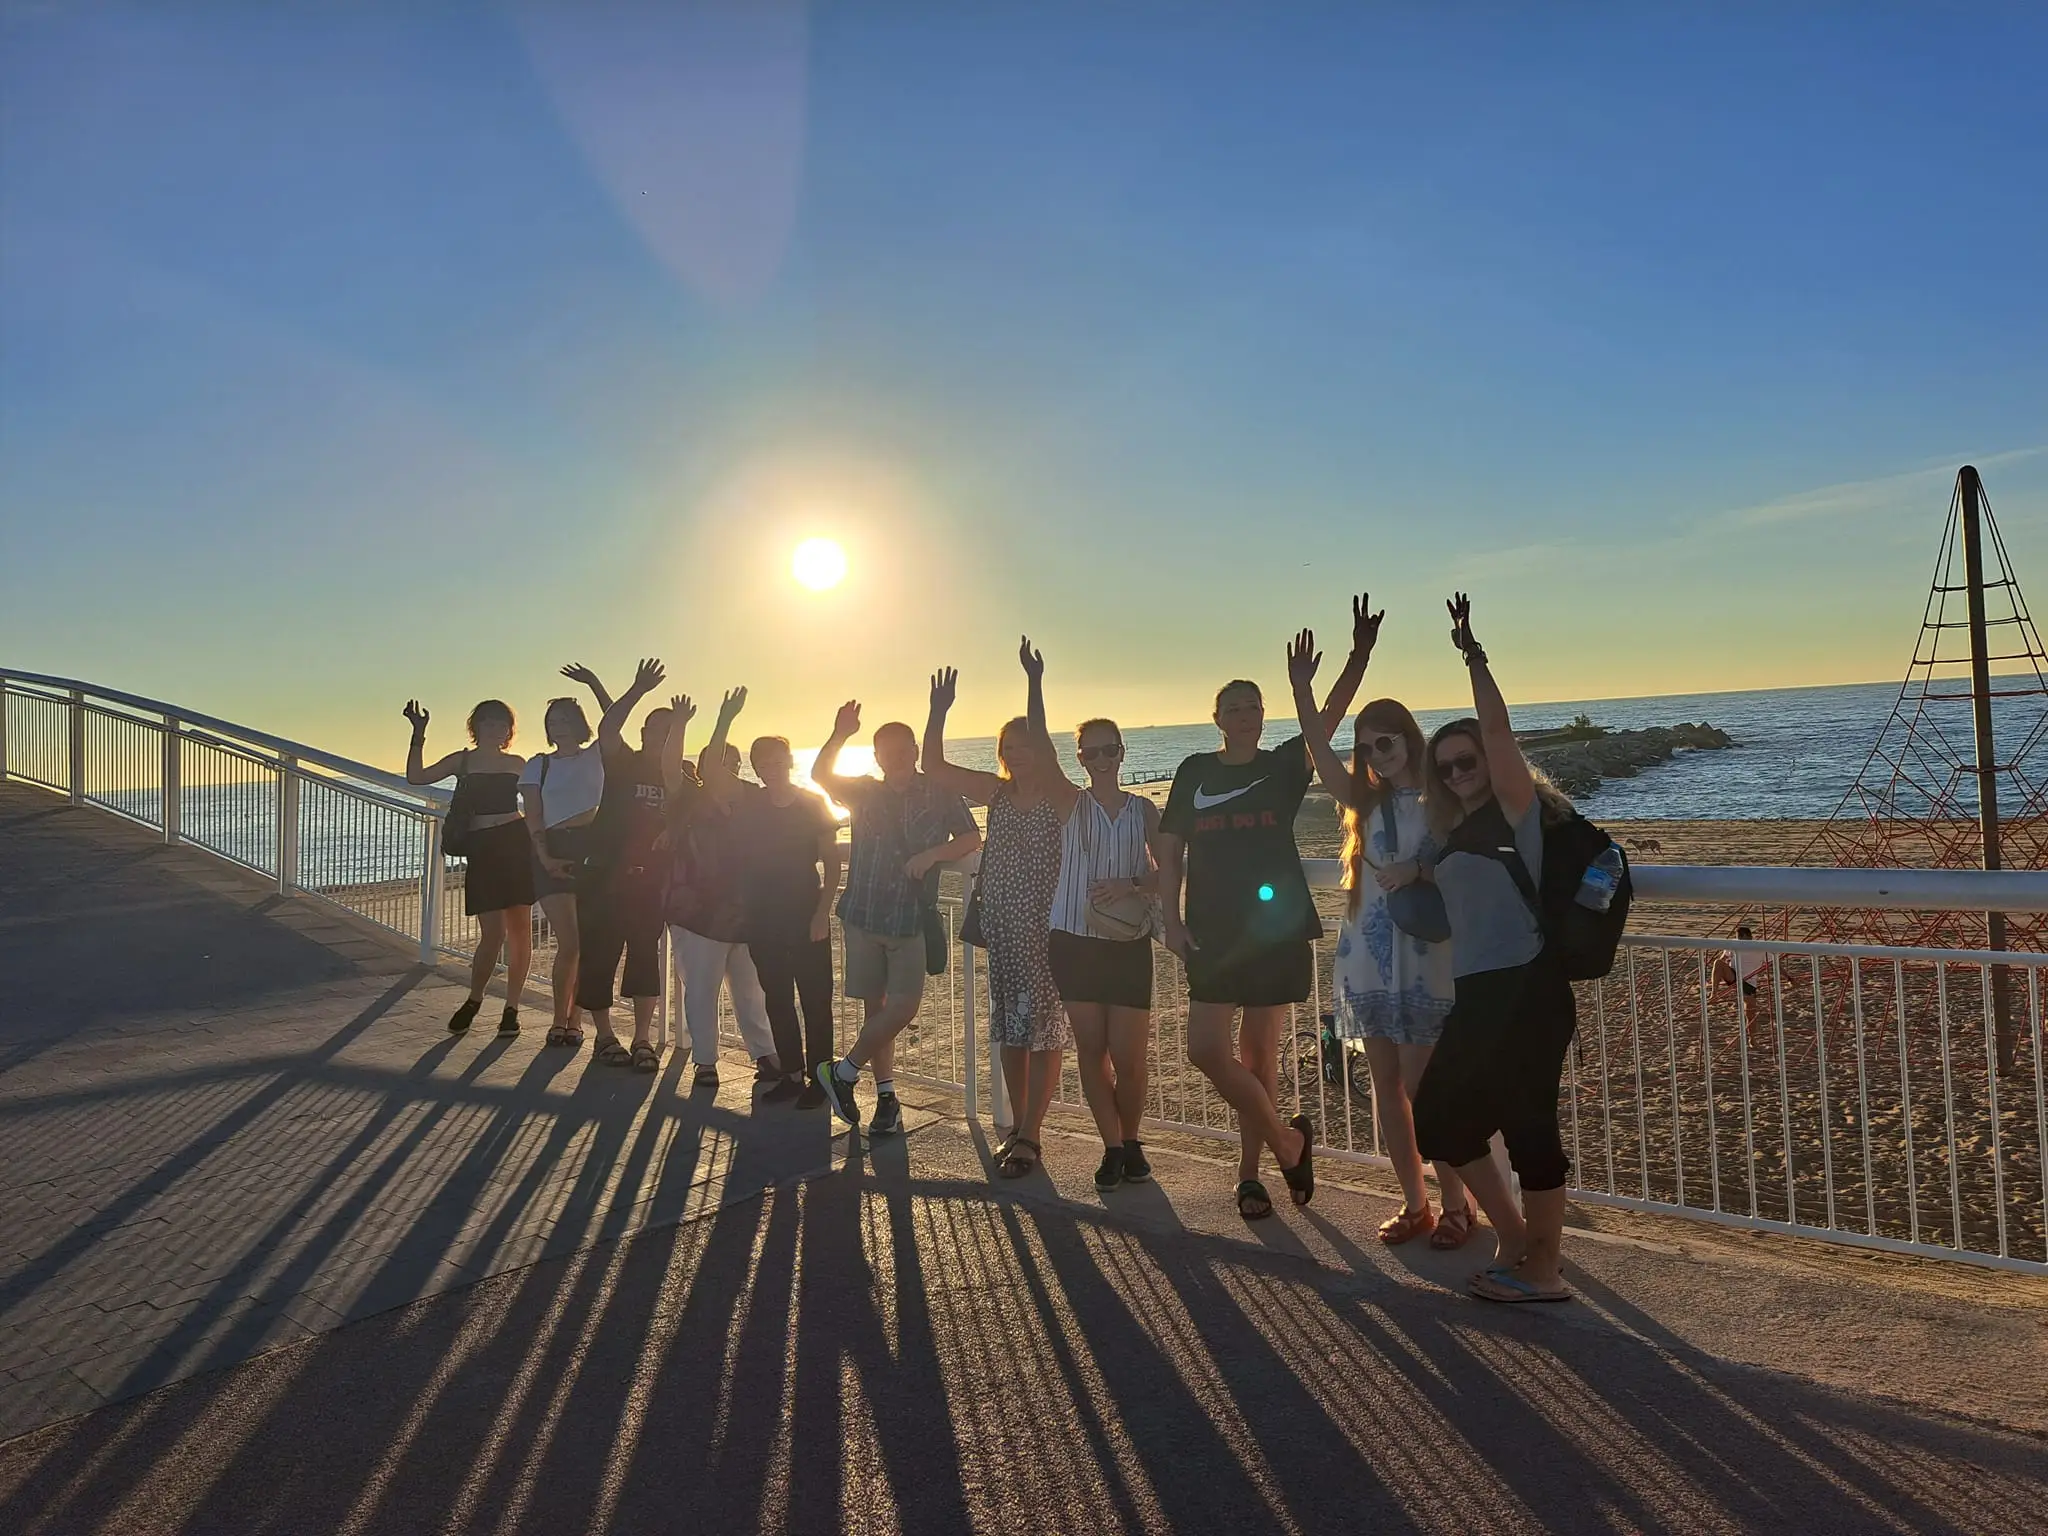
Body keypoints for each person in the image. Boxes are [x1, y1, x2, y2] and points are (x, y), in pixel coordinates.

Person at [1157, 593, 1378, 1221]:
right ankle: (1288, 1141)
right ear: (1218, 718)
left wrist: (1356, 655)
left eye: (1254, 706)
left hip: (1274, 924)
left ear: (1263, 713)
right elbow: (1170, 848)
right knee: (1206, 1050)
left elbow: (1330, 715)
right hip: (1212, 929)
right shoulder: (1194, 770)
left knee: (1259, 1056)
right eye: (1234, 708)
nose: (1245, 715)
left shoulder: (1285, 764)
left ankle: (1251, 1175)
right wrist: (1170, 919)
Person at [1411, 592, 1579, 1305]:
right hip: (1481, 992)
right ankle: (1516, 1239)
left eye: (1466, 760)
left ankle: (1541, 1270)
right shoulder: (1453, 832)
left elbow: (1500, 728)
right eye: (1445, 767)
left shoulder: (1516, 808)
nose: (1457, 772)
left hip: (1528, 986)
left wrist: (1471, 653)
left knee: (1529, 1123)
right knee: (1442, 1117)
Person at [1287, 631, 1474, 1249]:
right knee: (1386, 1088)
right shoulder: (1362, 801)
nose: (1376, 754)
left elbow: (1464, 857)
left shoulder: (1441, 795)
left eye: (1386, 742)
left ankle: (1457, 1204)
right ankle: (1414, 1202)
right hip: (1368, 954)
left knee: (1426, 1088)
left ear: (1408, 739)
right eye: (1367, 747)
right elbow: (1317, 751)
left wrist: (1420, 869)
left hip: (1424, 956)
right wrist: (1306, 689)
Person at [921, 642, 1073, 1178]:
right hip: (1003, 931)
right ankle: (1016, 1127)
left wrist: (1034, 682)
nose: (1017, 753)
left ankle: (1032, 1131)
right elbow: (932, 766)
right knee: (1012, 1027)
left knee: (1044, 1030)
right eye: (1009, 745)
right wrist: (938, 711)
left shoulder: (1062, 795)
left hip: (1046, 930)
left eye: (1026, 743)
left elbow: (1044, 741)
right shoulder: (997, 793)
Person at [812, 699, 983, 1135]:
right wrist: (839, 733)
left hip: (910, 914)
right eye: (886, 751)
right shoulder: (864, 789)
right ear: (876, 756)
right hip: (864, 911)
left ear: (914, 750)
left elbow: (969, 836)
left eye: (903, 748)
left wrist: (932, 854)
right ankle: (886, 1097)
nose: (896, 756)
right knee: (878, 1007)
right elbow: (820, 775)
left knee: (904, 1005)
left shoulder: (940, 791)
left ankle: (843, 1073)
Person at [701, 691, 845, 1109]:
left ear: (789, 761)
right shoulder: (748, 800)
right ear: (756, 767)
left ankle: (821, 1079)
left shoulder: (813, 803)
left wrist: (823, 914)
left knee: (816, 999)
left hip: (805, 912)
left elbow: (832, 864)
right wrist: (725, 717)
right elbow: (711, 772)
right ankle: (791, 1075)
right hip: (762, 916)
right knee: (777, 996)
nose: (771, 768)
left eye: (778, 760)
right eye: (763, 762)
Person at [1046, 712, 1162, 1193]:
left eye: (1108, 750)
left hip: (1128, 945)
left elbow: (1169, 873)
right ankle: (1114, 1146)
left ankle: (1130, 1139)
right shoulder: (1070, 803)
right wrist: (1036, 682)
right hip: (1074, 941)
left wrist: (1130, 883)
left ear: (1121, 753)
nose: (1100, 759)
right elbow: (1039, 740)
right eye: (1089, 752)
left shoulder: (1145, 812)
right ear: (1079, 758)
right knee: (1092, 1052)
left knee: (1130, 1057)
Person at [664, 689, 779, 1089]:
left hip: (743, 912)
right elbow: (669, 768)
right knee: (701, 988)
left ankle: (765, 1055)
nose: (725, 770)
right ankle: (705, 1061)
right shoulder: (687, 799)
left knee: (751, 990)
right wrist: (709, 721)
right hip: (697, 911)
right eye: (719, 763)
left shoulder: (751, 801)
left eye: (733, 763)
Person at [404, 697, 533, 1036]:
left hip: (516, 844)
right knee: (492, 934)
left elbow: (543, 799)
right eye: (488, 722)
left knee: (520, 931)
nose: (495, 728)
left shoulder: (518, 763)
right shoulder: (462, 760)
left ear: (509, 730)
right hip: (483, 850)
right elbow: (416, 776)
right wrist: (418, 734)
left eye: (502, 723)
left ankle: (511, 1009)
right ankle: (475, 999)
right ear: (476, 727)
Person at [576, 660, 676, 1071]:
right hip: (602, 875)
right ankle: (603, 1035)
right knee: (600, 955)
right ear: (644, 734)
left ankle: (642, 1040)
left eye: (672, 733)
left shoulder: (680, 776)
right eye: (657, 730)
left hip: (650, 882)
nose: (663, 738)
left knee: (644, 957)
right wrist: (636, 689)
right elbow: (607, 728)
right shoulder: (623, 762)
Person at [520, 668, 612, 1045]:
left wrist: (594, 683)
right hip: (552, 850)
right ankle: (560, 1019)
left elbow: (615, 720)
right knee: (570, 942)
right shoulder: (538, 764)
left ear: (580, 724)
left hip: (592, 849)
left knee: (587, 941)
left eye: (565, 719)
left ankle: (574, 1021)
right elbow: (534, 814)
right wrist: (544, 857)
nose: (558, 726)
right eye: (552, 720)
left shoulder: (597, 756)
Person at [1713, 925, 1769, 998]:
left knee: (1750, 1007)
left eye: (1738, 937)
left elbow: (1774, 963)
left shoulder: (1760, 946)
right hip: (1734, 976)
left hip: (1749, 982)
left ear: (1745, 936)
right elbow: (1723, 958)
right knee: (1718, 962)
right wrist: (1717, 974)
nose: (1737, 939)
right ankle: (1714, 993)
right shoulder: (1733, 943)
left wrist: (1788, 977)